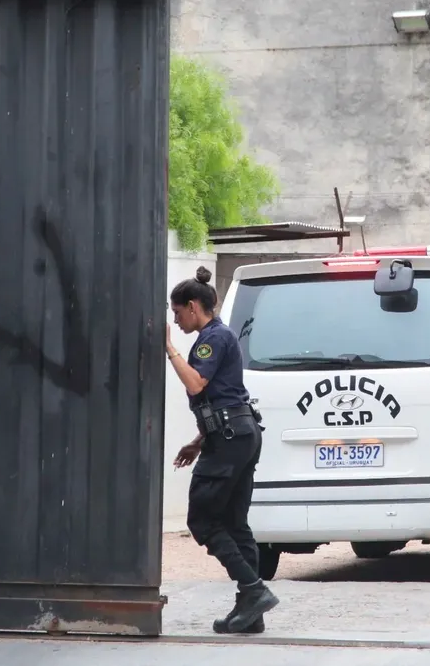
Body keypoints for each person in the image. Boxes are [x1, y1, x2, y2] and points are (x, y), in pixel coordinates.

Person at [166, 265, 279, 634]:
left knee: (202, 520)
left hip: (231, 438)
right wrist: (200, 442)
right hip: (238, 434)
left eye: (178, 312)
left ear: (194, 306)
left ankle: (254, 590)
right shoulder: (221, 336)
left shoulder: (211, 338)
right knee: (234, 524)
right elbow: (224, 395)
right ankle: (251, 613)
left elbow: (198, 384)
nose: (176, 320)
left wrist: (169, 350)